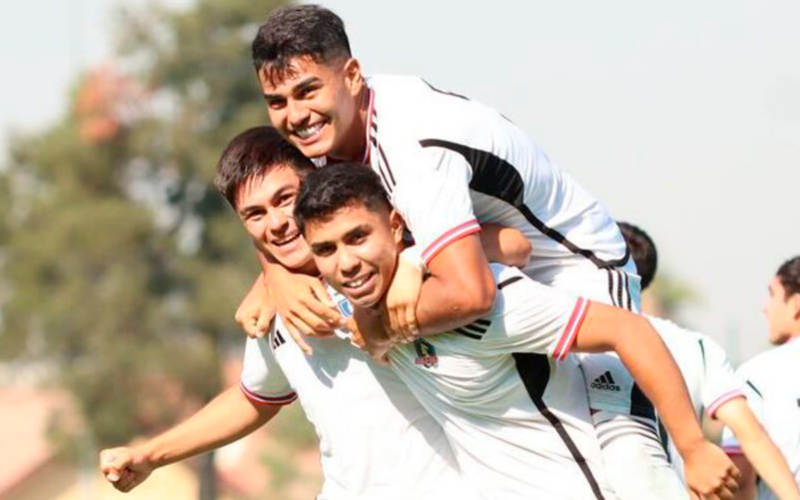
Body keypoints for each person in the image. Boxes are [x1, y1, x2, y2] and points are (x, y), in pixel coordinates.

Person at [241, 5, 739, 498]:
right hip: (494, 269)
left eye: (307, 90)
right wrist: (274, 274)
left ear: (350, 75)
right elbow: (278, 205)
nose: (295, 114)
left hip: (576, 269)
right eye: (277, 100)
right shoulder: (325, 134)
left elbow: (470, 290)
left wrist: (378, 325)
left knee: (627, 463)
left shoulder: (412, 145)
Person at [293, 162, 743, 500]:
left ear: (395, 227)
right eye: (326, 250)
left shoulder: (486, 304)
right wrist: (271, 277)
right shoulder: (349, 301)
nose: (346, 262)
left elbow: (630, 330)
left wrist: (694, 447)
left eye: (358, 237)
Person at [99, 127, 481, 500]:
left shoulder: (383, 262)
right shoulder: (273, 308)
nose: (277, 223)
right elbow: (253, 399)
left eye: (285, 198)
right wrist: (150, 455)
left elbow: (499, 250)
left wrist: (411, 264)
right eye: (255, 214)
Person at [618, 222, 800, 500]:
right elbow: (753, 437)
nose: (764, 306)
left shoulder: (568, 343)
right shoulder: (698, 347)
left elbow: (744, 465)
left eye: (772, 295)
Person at [721, 256, 800, 500]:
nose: (765, 307)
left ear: (796, 304)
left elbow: (739, 481)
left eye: (772, 295)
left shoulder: (758, 374)